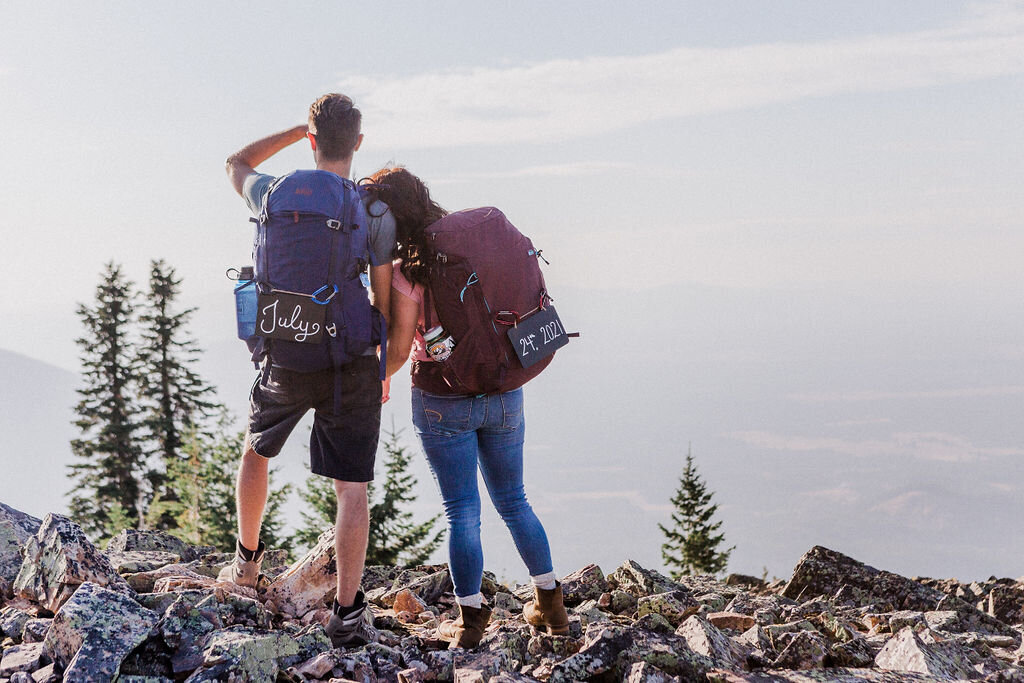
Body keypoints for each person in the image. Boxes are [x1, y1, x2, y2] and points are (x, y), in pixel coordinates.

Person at [366, 166, 568, 649]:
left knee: (462, 512)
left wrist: (368, 382)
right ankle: (551, 604)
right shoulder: (466, 244)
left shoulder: (408, 271)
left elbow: (397, 351)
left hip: (442, 399)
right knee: (515, 500)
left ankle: (471, 619)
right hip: (503, 387)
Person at [221, 94, 396, 648]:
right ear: (360, 144)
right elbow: (384, 299)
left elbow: (235, 162)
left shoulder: (272, 192)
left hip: (285, 348)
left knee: (257, 450)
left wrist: (295, 131)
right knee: (352, 489)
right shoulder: (373, 212)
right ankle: (346, 612)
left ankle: (247, 566)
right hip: (348, 359)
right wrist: (382, 363)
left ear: (313, 140)